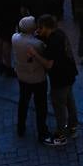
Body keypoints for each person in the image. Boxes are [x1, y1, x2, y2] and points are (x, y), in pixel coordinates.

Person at [13, 16, 57, 144]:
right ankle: (42, 132)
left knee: (23, 102)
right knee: (40, 106)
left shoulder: (15, 38)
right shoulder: (37, 44)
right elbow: (44, 54)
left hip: (22, 75)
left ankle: (20, 127)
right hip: (37, 78)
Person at [38, 12, 80, 142]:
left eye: (40, 28)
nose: (38, 30)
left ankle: (60, 134)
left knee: (59, 106)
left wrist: (34, 54)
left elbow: (48, 64)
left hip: (59, 78)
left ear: (46, 27)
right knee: (69, 101)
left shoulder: (53, 41)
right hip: (69, 74)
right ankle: (73, 127)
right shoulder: (60, 33)